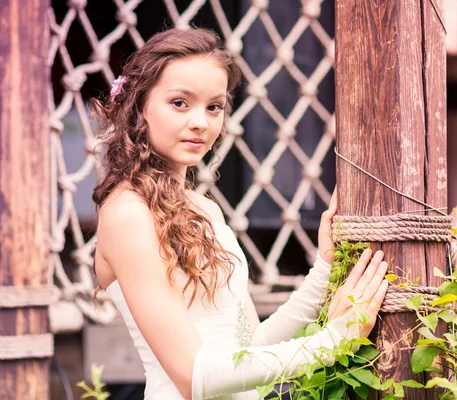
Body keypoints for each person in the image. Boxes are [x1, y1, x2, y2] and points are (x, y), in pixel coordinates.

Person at [92, 28, 389, 400]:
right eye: (180, 103)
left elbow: (250, 346)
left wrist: (324, 268)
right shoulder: (128, 213)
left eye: (214, 106)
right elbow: (193, 377)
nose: (201, 121)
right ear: (139, 106)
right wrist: (332, 341)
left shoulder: (205, 209)